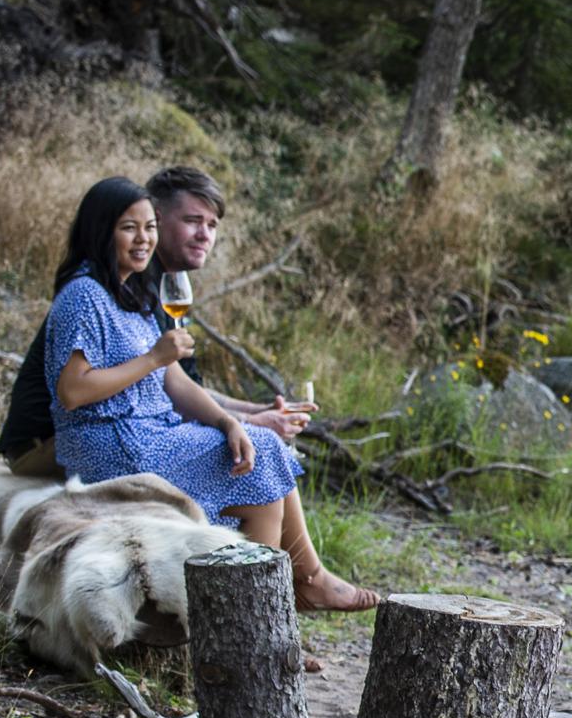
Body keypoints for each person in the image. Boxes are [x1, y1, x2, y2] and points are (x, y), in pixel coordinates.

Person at [40, 177, 376, 612]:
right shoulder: (84, 296)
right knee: (260, 463)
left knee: (258, 460)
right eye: (129, 228)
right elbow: (72, 391)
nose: (143, 240)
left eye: (149, 228)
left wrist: (229, 421)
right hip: (111, 446)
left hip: (148, 437)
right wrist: (154, 358)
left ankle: (263, 618)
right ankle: (266, 613)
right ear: (101, 230)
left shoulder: (130, 293)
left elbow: (175, 382)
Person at [0, 165, 313, 475]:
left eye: (212, 225)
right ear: (158, 219)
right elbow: (151, 385)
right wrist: (249, 422)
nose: (205, 235)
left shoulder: (148, 285)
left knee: (257, 452)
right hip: (53, 440)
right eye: (192, 221)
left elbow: (177, 382)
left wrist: (250, 412)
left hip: (118, 432)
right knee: (254, 451)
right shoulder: (112, 288)